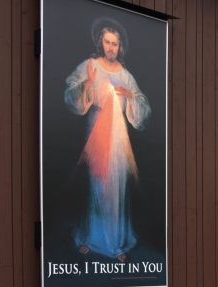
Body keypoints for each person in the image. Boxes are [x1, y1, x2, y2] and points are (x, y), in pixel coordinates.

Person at [65, 17, 150, 263]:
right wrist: (89, 83)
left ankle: (116, 242)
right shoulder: (91, 65)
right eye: (107, 42)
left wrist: (131, 96)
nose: (111, 47)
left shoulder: (125, 74)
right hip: (97, 134)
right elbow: (71, 90)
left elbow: (142, 103)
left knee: (117, 188)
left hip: (119, 138)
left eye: (115, 43)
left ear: (120, 46)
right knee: (97, 186)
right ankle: (91, 238)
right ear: (100, 42)